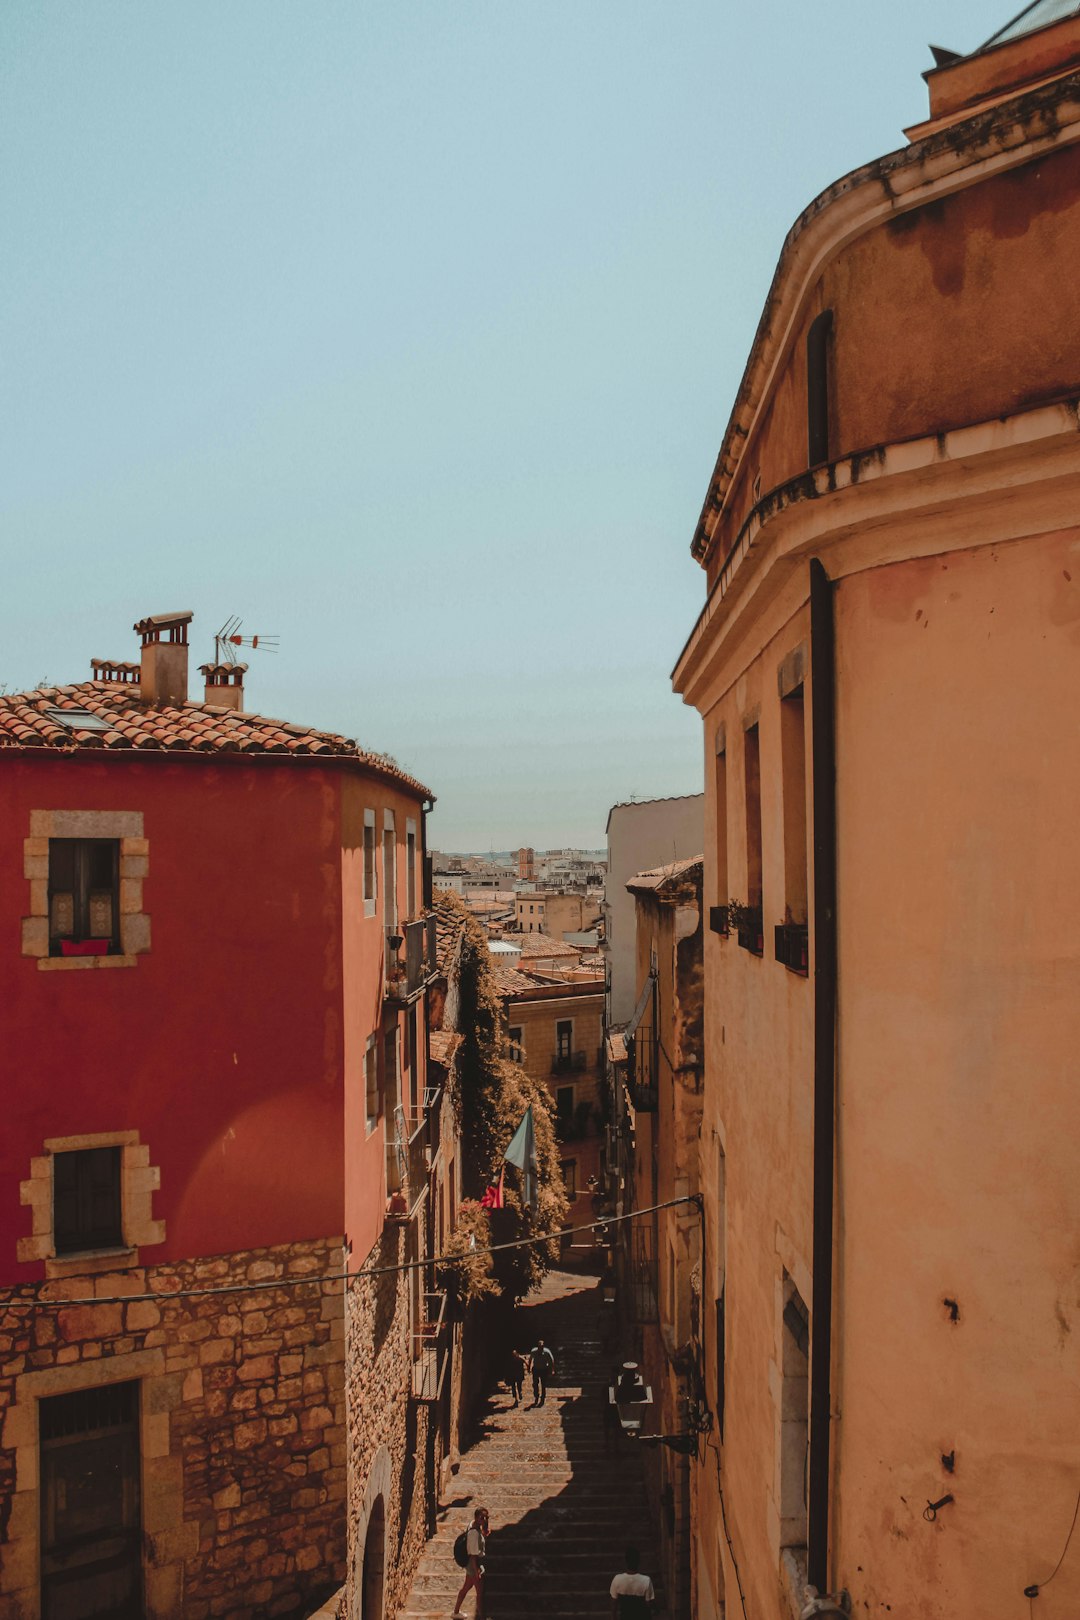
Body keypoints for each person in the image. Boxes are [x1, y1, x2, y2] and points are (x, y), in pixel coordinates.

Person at [454, 1505, 489, 1618]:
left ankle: (455, 1612)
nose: (484, 1520)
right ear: (476, 1517)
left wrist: (483, 1534)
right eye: (481, 1518)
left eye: (485, 1517)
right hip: (474, 1565)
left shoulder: (473, 1524)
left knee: (465, 1588)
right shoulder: (474, 1533)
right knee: (480, 1594)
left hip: (470, 1565)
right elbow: (473, 1555)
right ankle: (482, 1617)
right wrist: (477, 1571)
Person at [610, 1544, 655, 1619]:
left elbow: (614, 1605)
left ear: (626, 1561)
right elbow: (648, 1604)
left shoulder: (617, 1579)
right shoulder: (646, 1580)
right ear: (639, 1561)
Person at [530, 1338, 555, 1406]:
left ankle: (543, 1396)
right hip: (536, 1369)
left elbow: (551, 1360)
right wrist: (529, 1367)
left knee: (543, 1384)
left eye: (541, 1347)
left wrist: (552, 1370)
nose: (540, 1348)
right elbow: (530, 1359)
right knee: (535, 1384)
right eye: (539, 1347)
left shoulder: (547, 1352)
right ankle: (536, 1395)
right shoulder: (534, 1351)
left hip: (544, 1369)